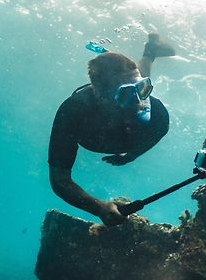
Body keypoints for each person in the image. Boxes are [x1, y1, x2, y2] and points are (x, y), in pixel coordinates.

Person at [48, 34, 175, 226]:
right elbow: (59, 179)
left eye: (143, 88)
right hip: (93, 129)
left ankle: (150, 53)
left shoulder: (157, 114)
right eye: (125, 94)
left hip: (123, 135)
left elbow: (159, 132)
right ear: (99, 95)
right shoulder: (73, 112)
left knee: (139, 73)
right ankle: (143, 58)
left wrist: (133, 155)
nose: (140, 103)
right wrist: (98, 207)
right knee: (133, 80)